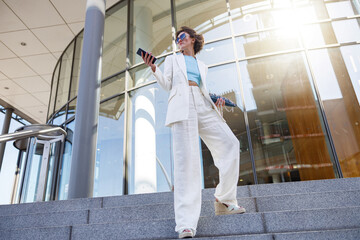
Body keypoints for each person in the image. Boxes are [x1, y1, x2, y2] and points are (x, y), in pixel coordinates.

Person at [141, 26, 246, 239]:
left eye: (182, 37)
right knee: (186, 162)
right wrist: (154, 68)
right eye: (177, 38)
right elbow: (167, 84)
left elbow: (202, 88)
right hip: (182, 104)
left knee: (230, 144)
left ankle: (225, 200)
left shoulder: (202, 65)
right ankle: (186, 224)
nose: (179, 40)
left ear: (192, 40)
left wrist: (215, 101)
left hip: (202, 103)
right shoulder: (172, 60)